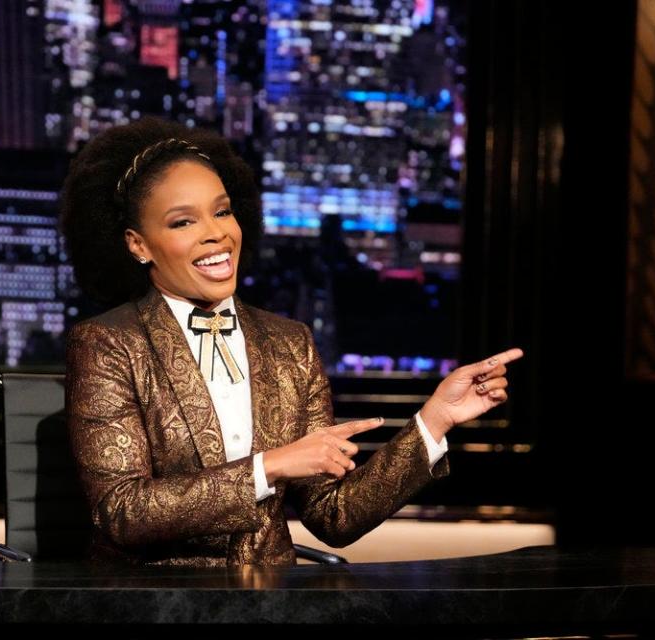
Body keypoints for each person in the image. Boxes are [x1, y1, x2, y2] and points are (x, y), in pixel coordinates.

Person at [59, 117, 523, 566]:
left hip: (272, 609)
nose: (216, 233)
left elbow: (334, 515)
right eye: (183, 222)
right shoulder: (107, 344)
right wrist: (269, 467)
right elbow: (121, 511)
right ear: (138, 244)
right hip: (159, 610)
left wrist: (435, 419)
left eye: (222, 211)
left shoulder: (289, 344)